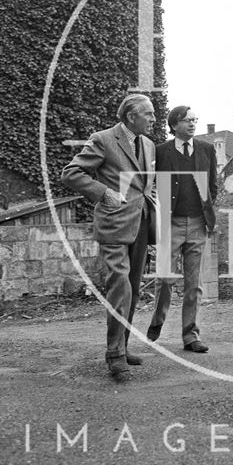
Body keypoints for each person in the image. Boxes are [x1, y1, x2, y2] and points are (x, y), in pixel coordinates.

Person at [61, 94, 156, 381]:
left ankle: (122, 347)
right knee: (120, 287)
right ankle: (115, 355)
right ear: (131, 116)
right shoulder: (103, 139)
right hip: (113, 225)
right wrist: (103, 192)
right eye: (148, 114)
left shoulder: (149, 145)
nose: (153, 119)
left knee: (134, 288)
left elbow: (144, 184)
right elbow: (70, 173)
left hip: (140, 225)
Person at [146, 106, 218, 353]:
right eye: (187, 120)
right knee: (164, 278)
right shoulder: (161, 152)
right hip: (171, 223)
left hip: (198, 223)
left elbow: (213, 185)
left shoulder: (206, 150)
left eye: (194, 120)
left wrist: (206, 211)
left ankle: (191, 335)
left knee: (193, 283)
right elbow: (151, 185)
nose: (192, 124)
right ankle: (157, 321)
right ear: (174, 124)